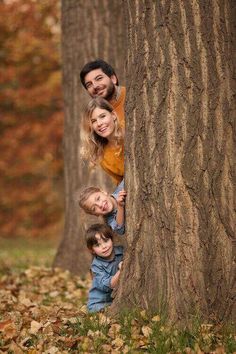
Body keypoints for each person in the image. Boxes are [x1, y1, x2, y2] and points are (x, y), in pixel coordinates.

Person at [81, 96, 124, 184]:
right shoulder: (103, 157)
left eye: (102, 116)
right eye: (93, 121)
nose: (99, 123)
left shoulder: (130, 129)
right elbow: (121, 183)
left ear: (113, 115)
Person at [86, 223, 123, 313]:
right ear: (92, 250)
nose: (104, 246)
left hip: (117, 297)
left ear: (112, 240)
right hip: (100, 300)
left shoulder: (122, 251)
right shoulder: (96, 266)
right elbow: (108, 285)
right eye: (98, 245)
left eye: (106, 241)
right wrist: (121, 271)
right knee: (98, 309)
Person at [80, 59, 126, 129]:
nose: (95, 86)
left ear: (113, 79)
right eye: (89, 85)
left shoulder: (131, 96)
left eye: (99, 78)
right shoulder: (93, 117)